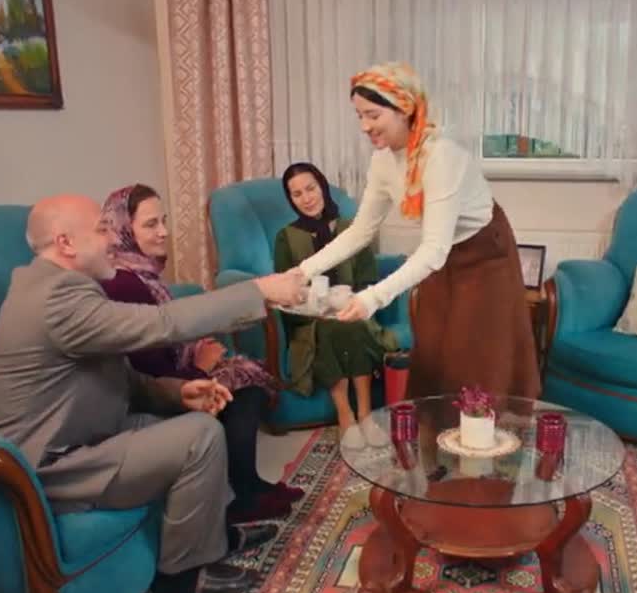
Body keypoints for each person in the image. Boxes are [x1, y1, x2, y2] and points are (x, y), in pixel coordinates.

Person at [0, 194, 306, 593]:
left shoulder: (61, 288)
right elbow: (163, 324)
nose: (112, 239)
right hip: (53, 464)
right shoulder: (54, 299)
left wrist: (177, 391)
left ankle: (214, 537)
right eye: (102, 229)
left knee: (192, 424)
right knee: (198, 437)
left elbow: (116, 374)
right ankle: (180, 574)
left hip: (87, 433)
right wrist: (258, 290)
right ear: (66, 243)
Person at [285, 62, 541, 401]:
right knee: (433, 349)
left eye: (373, 115)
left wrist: (372, 298)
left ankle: (486, 430)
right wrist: (302, 272)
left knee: (476, 358)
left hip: (485, 253)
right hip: (442, 254)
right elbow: (360, 231)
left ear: (404, 108)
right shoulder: (382, 161)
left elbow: (433, 251)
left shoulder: (442, 157)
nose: (364, 126)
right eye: (359, 116)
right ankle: (435, 430)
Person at [98, 184, 302, 524]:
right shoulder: (123, 283)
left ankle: (250, 485)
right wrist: (200, 366)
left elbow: (163, 338)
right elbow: (147, 366)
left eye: (164, 221)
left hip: (162, 374)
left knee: (242, 371)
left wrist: (193, 351)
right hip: (150, 391)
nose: (164, 232)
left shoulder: (140, 273)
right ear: (123, 230)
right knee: (244, 384)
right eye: (150, 224)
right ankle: (244, 496)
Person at [273, 163, 399, 434]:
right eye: (297, 194)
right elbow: (284, 290)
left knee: (349, 323)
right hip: (310, 321)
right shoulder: (285, 238)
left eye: (310, 189)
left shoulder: (352, 229)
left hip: (352, 310)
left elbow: (368, 279)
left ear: (322, 187)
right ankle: (346, 414)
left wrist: (351, 301)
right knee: (330, 328)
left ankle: (364, 413)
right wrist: (311, 305)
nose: (306, 199)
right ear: (290, 199)